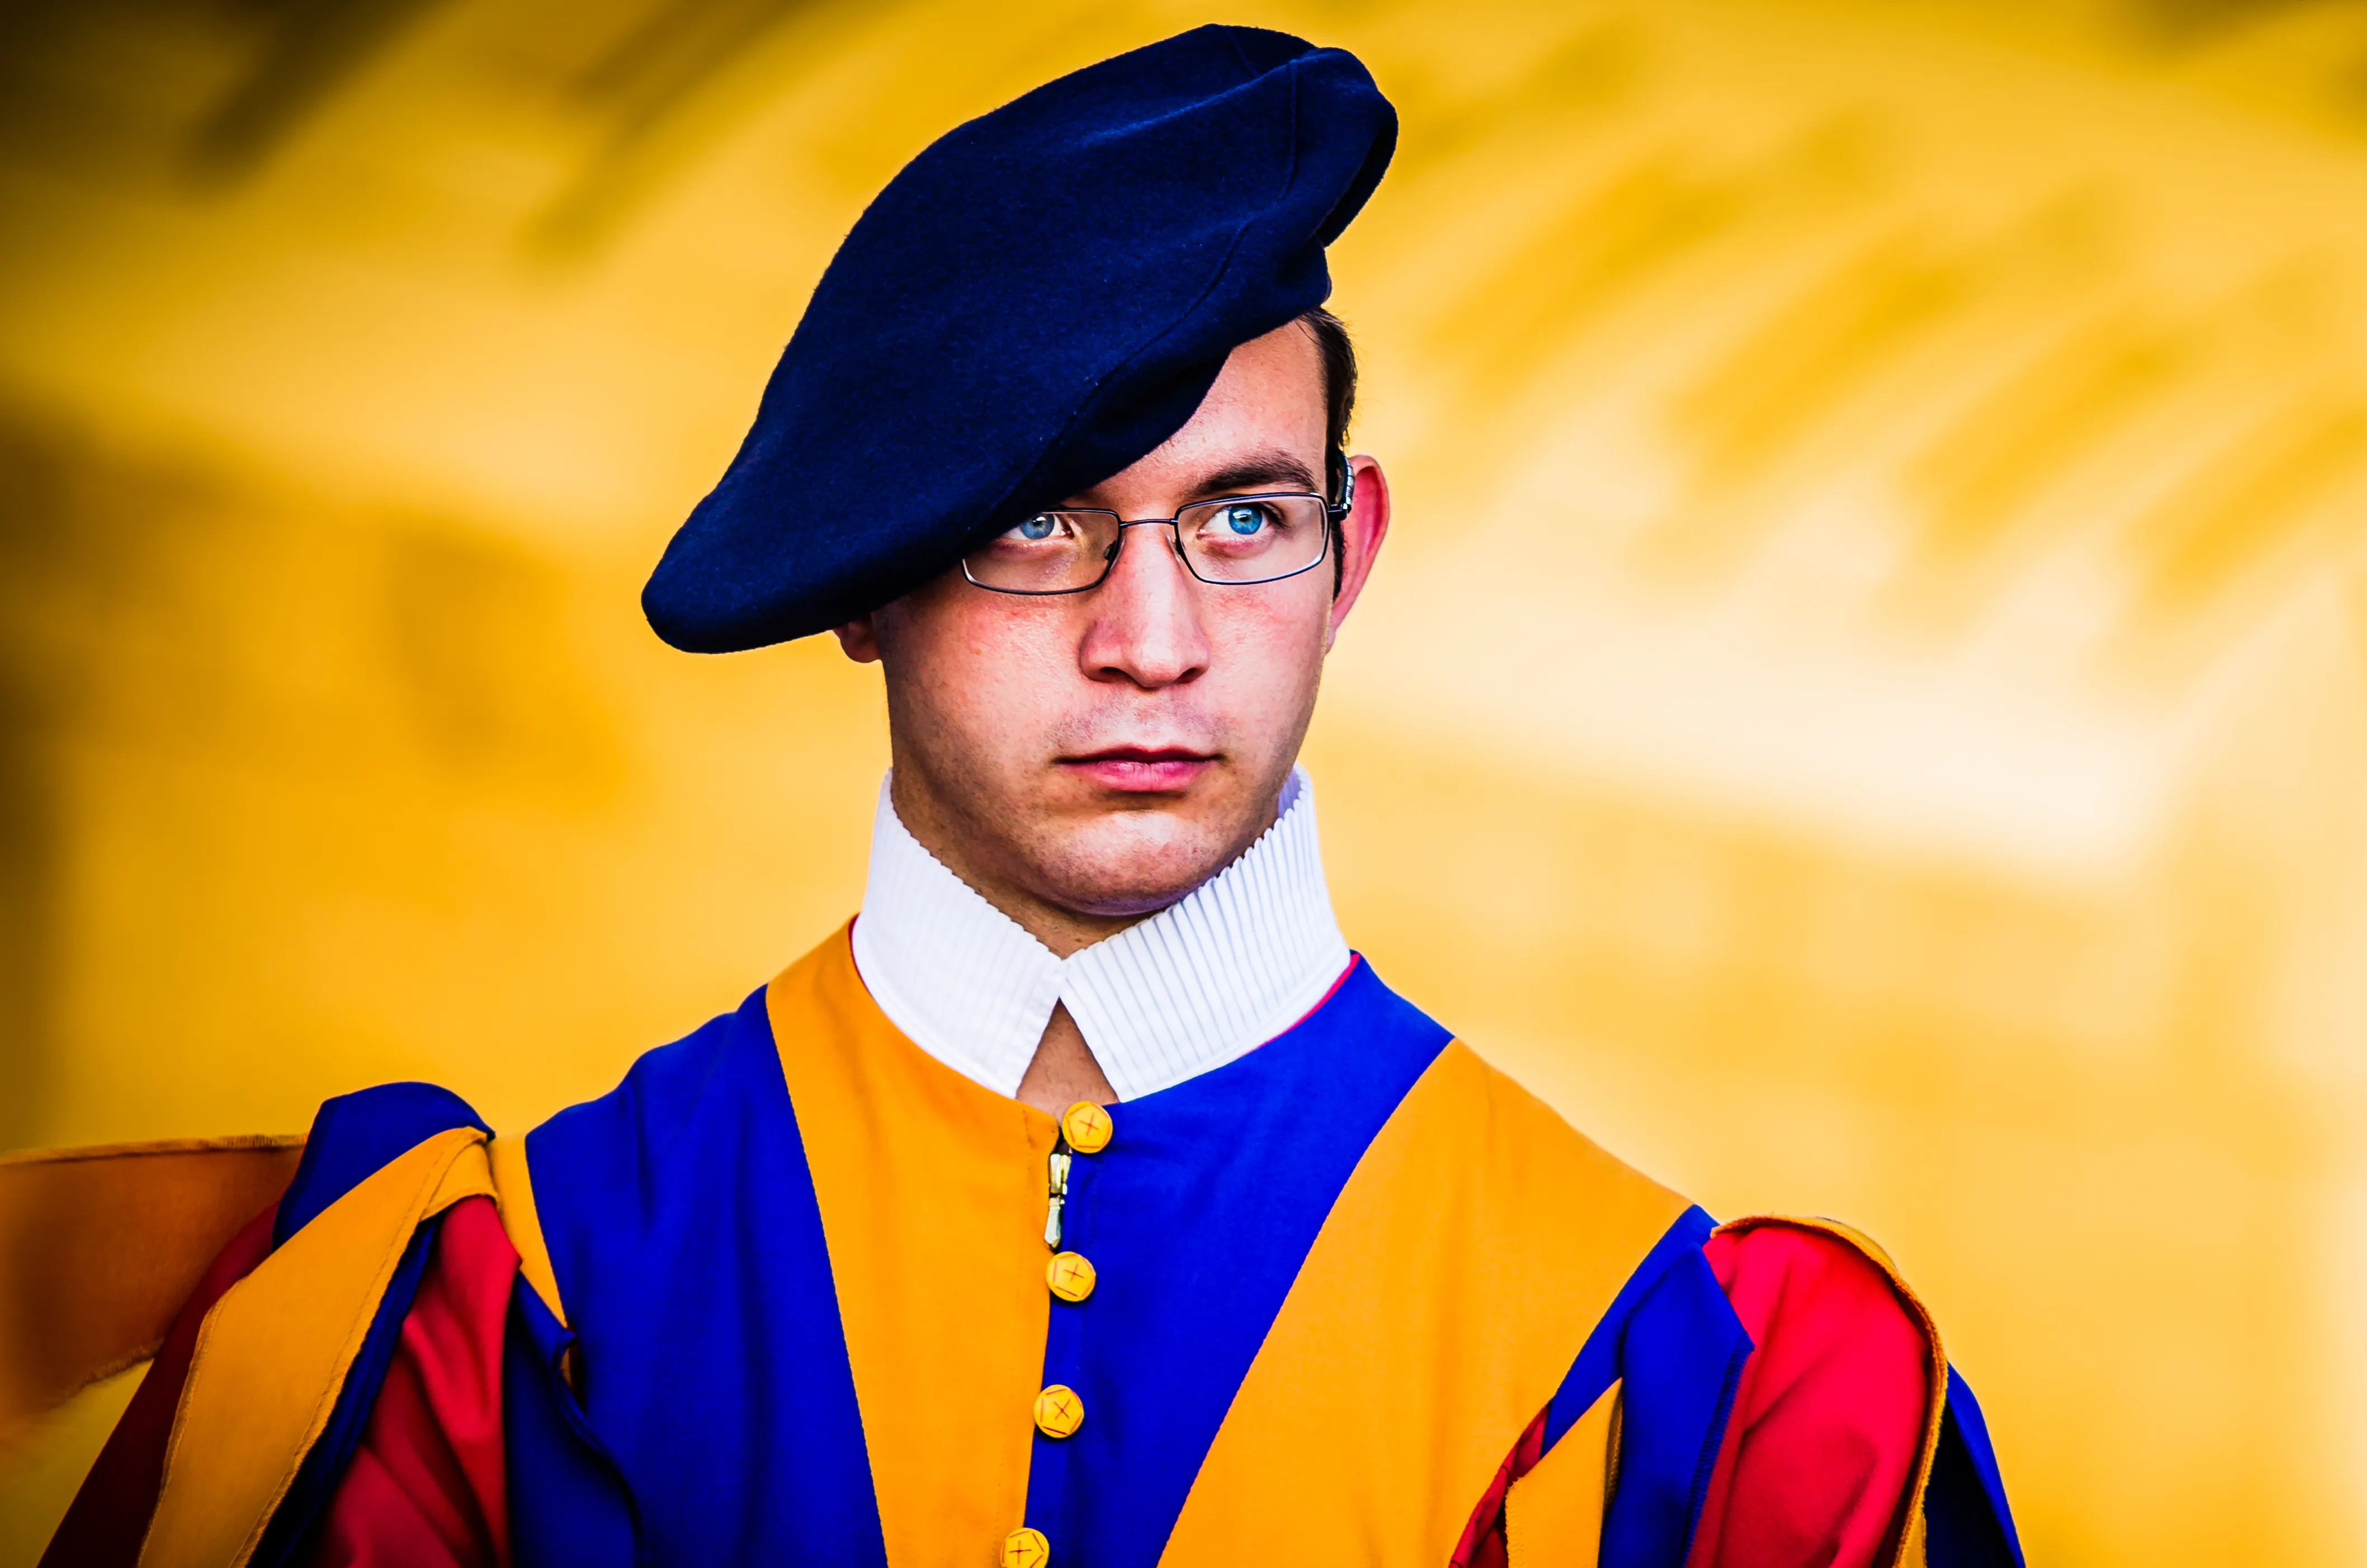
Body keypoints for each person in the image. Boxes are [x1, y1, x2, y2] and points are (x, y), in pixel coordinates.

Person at [34, 25, 2022, 1568]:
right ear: (861, 585)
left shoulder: (1692, 1377)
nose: (1151, 638)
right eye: (1037, 524)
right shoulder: (525, 1305)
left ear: (1354, 552)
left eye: (1242, 516)